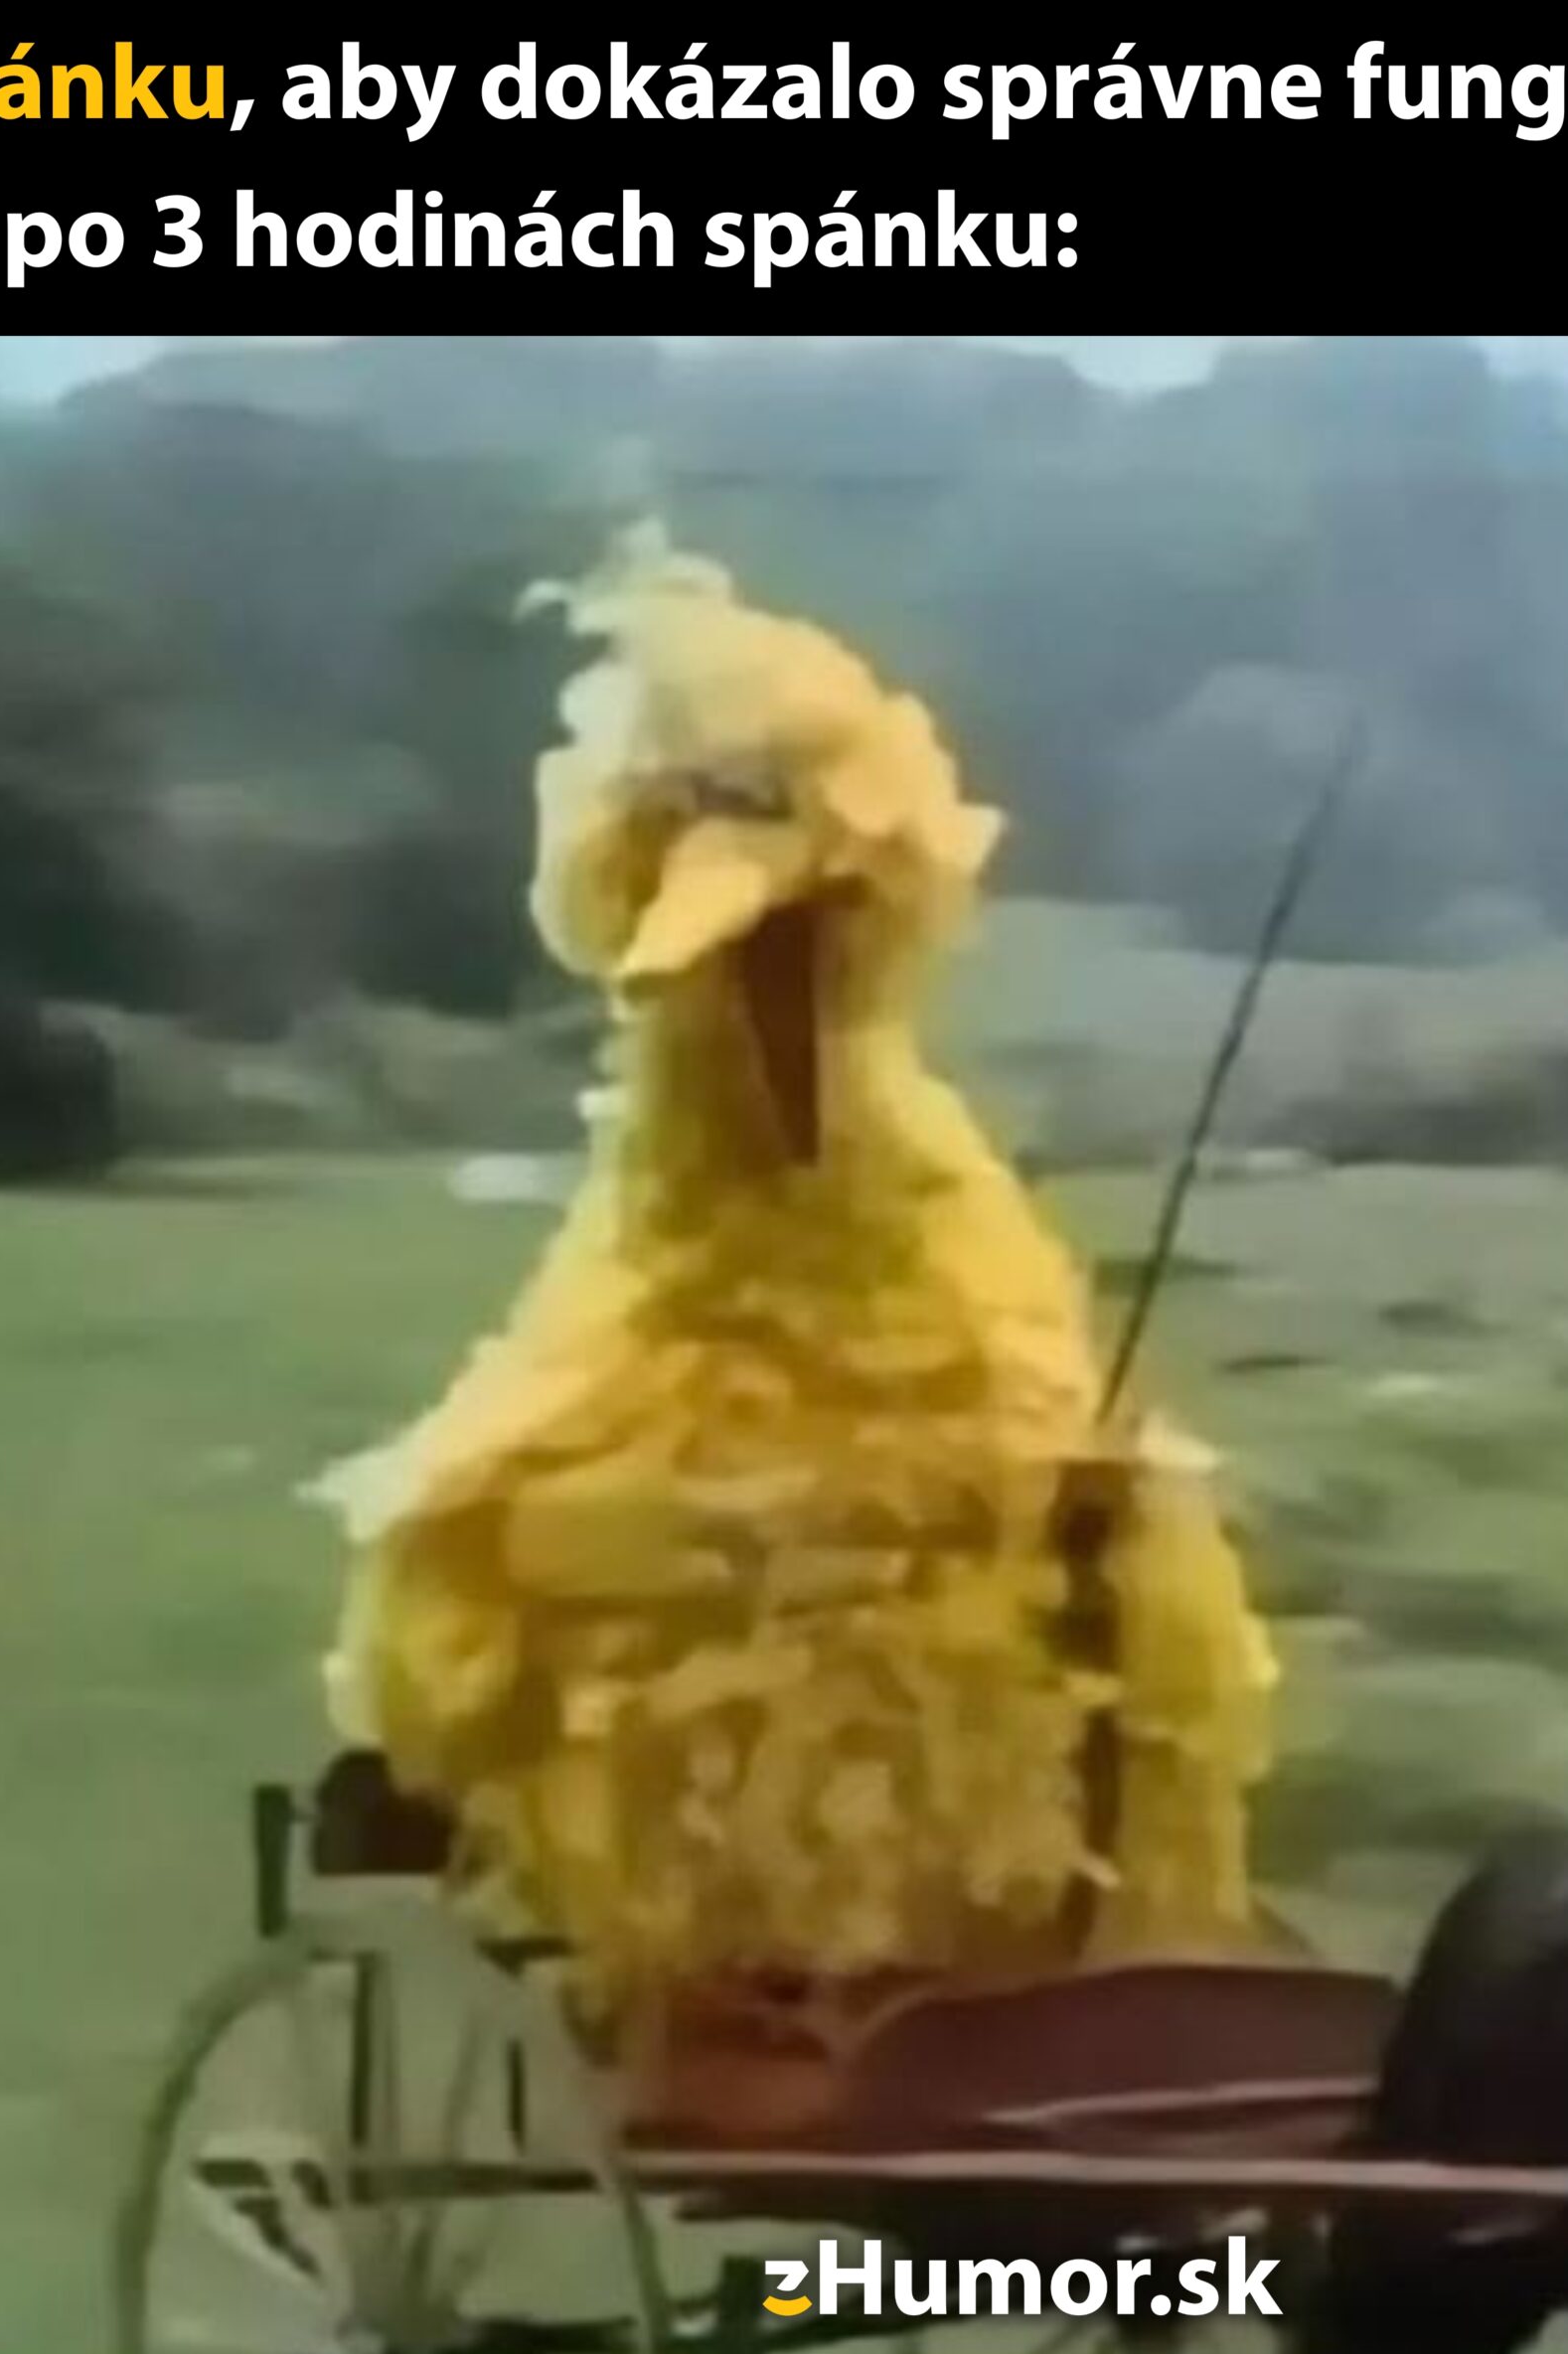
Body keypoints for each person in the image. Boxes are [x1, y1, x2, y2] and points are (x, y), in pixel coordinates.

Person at [312, 523, 1275, 2036]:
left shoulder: (867, 1088)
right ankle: (751, 1983)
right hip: (719, 1239)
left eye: (813, 934)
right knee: (693, 1557)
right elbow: (759, 1119)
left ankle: (970, 1961)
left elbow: (816, 1122)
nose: (786, 967)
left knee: (1028, 1541)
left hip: (867, 1231)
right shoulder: (714, 1016)